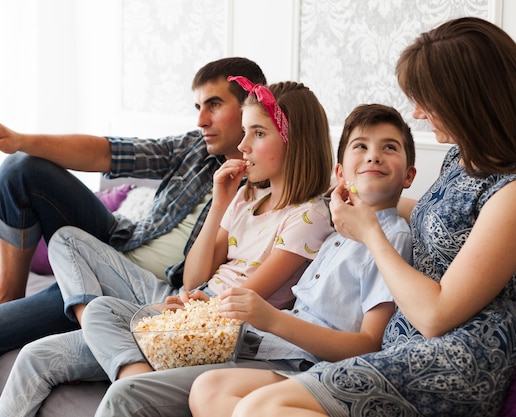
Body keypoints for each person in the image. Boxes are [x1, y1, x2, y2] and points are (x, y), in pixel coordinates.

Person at [190, 17, 516, 417]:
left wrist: (370, 233)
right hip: (406, 342)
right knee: (212, 392)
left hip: (459, 354)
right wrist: (348, 196)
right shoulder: (463, 161)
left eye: (425, 99)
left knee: (262, 409)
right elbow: (442, 219)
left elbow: (436, 316)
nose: (416, 112)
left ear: (466, 99)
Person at [0, 57, 267, 417]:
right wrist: (18, 139)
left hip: (149, 295)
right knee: (20, 166)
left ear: (250, 105)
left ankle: (94, 320)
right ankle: (8, 295)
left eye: (214, 105)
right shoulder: (193, 147)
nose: (201, 120)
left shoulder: (269, 184)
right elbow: (109, 151)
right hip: (107, 253)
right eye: (198, 107)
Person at [0, 78, 335, 417]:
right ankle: (133, 366)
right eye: (245, 132)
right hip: (194, 307)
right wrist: (219, 203)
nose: (243, 146)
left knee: (79, 330)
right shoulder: (247, 195)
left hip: (221, 330)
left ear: (296, 142)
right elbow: (193, 277)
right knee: (49, 340)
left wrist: (191, 309)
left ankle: (132, 370)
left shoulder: (309, 216)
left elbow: (244, 302)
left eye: (258, 134)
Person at [79, 102, 417, 417]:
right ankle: (143, 365)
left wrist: (267, 317)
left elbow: (370, 344)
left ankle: (141, 369)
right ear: (341, 173)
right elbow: (195, 277)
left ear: (409, 176)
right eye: (362, 146)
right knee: (99, 320)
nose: (374, 156)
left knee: (130, 392)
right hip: (269, 343)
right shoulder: (338, 225)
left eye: (389, 147)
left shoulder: (388, 238)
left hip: (303, 361)